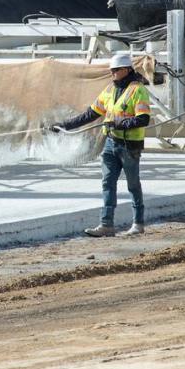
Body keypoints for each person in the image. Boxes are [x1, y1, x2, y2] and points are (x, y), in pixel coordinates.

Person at [46, 53, 151, 237]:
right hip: (110, 143)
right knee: (108, 183)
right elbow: (90, 114)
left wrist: (119, 124)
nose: (112, 74)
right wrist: (63, 125)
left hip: (130, 145)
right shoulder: (110, 89)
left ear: (126, 70)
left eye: (116, 70)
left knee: (133, 184)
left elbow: (143, 119)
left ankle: (138, 223)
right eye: (111, 70)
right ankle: (106, 224)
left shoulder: (138, 90)